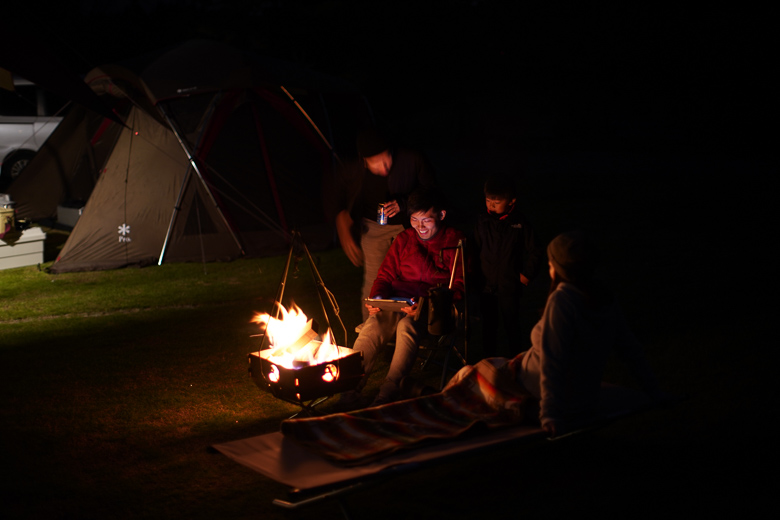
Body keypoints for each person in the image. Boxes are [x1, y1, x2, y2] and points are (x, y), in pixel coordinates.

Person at [510, 231, 664, 437]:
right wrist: (655, 391)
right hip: (581, 398)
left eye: (550, 264)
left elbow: (553, 362)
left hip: (537, 397)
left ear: (559, 268)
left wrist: (549, 414)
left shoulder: (563, 301)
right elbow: (632, 352)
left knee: (473, 375)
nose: (549, 268)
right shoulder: (603, 297)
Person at [342, 187, 465, 407]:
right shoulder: (405, 239)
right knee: (374, 324)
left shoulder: (455, 242)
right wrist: (377, 299)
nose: (420, 227)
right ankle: (349, 389)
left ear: (441, 215)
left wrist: (426, 306)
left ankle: (388, 391)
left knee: (407, 327)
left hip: (432, 309)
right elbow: (384, 275)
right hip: (399, 302)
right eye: (414, 220)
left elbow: (459, 287)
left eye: (426, 221)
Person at [328, 128, 435, 321]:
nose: (383, 167)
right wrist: (342, 221)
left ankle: (409, 328)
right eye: (375, 163)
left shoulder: (412, 159)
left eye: (386, 160)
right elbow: (337, 191)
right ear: (364, 160)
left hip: (409, 227)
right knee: (374, 281)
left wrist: (403, 204)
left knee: (410, 278)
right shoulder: (354, 169)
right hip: (373, 228)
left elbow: (430, 189)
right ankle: (370, 333)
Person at [473, 176, 542, 357]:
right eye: (488, 200)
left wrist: (526, 275)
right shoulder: (482, 221)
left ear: (511, 201)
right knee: (489, 325)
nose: (491, 205)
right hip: (487, 284)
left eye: (496, 201)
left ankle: (516, 362)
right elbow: (474, 249)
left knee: (511, 324)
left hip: (510, 284)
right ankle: (489, 362)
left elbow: (535, 250)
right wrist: (475, 276)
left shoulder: (519, 223)